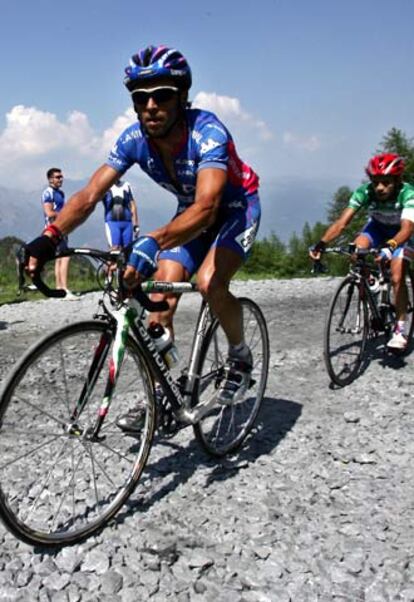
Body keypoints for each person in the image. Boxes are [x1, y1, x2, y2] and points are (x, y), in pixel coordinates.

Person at [25, 45, 261, 429]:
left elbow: (207, 207)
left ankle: (240, 355)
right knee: (157, 301)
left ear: (182, 97)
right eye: (141, 97)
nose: (151, 105)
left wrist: (152, 239)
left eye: (162, 95)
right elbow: (88, 196)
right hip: (190, 213)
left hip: (233, 209)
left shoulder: (208, 131)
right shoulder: (134, 138)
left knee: (208, 283)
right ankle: (162, 392)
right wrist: (49, 236)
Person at [309, 153, 414, 350]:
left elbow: (407, 228)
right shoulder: (364, 192)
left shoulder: (408, 193)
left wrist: (390, 247)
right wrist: (320, 244)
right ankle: (371, 284)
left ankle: (400, 329)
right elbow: (341, 223)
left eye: (386, 182)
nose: (380, 188)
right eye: (375, 182)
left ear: (397, 180)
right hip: (377, 228)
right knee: (355, 251)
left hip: (403, 234)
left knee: (397, 276)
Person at [41, 168, 76, 299]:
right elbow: (49, 213)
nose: (61, 179)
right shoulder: (48, 193)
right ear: (50, 179)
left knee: (59, 258)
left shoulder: (61, 193)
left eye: (61, 177)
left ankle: (59, 288)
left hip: (62, 228)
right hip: (54, 229)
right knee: (65, 256)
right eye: (57, 177)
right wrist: (66, 215)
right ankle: (65, 289)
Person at [102, 179, 140, 250]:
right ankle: (110, 261)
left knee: (127, 250)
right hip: (112, 223)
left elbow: (133, 205)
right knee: (115, 249)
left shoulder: (126, 185)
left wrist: (136, 225)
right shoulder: (106, 186)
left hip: (127, 223)